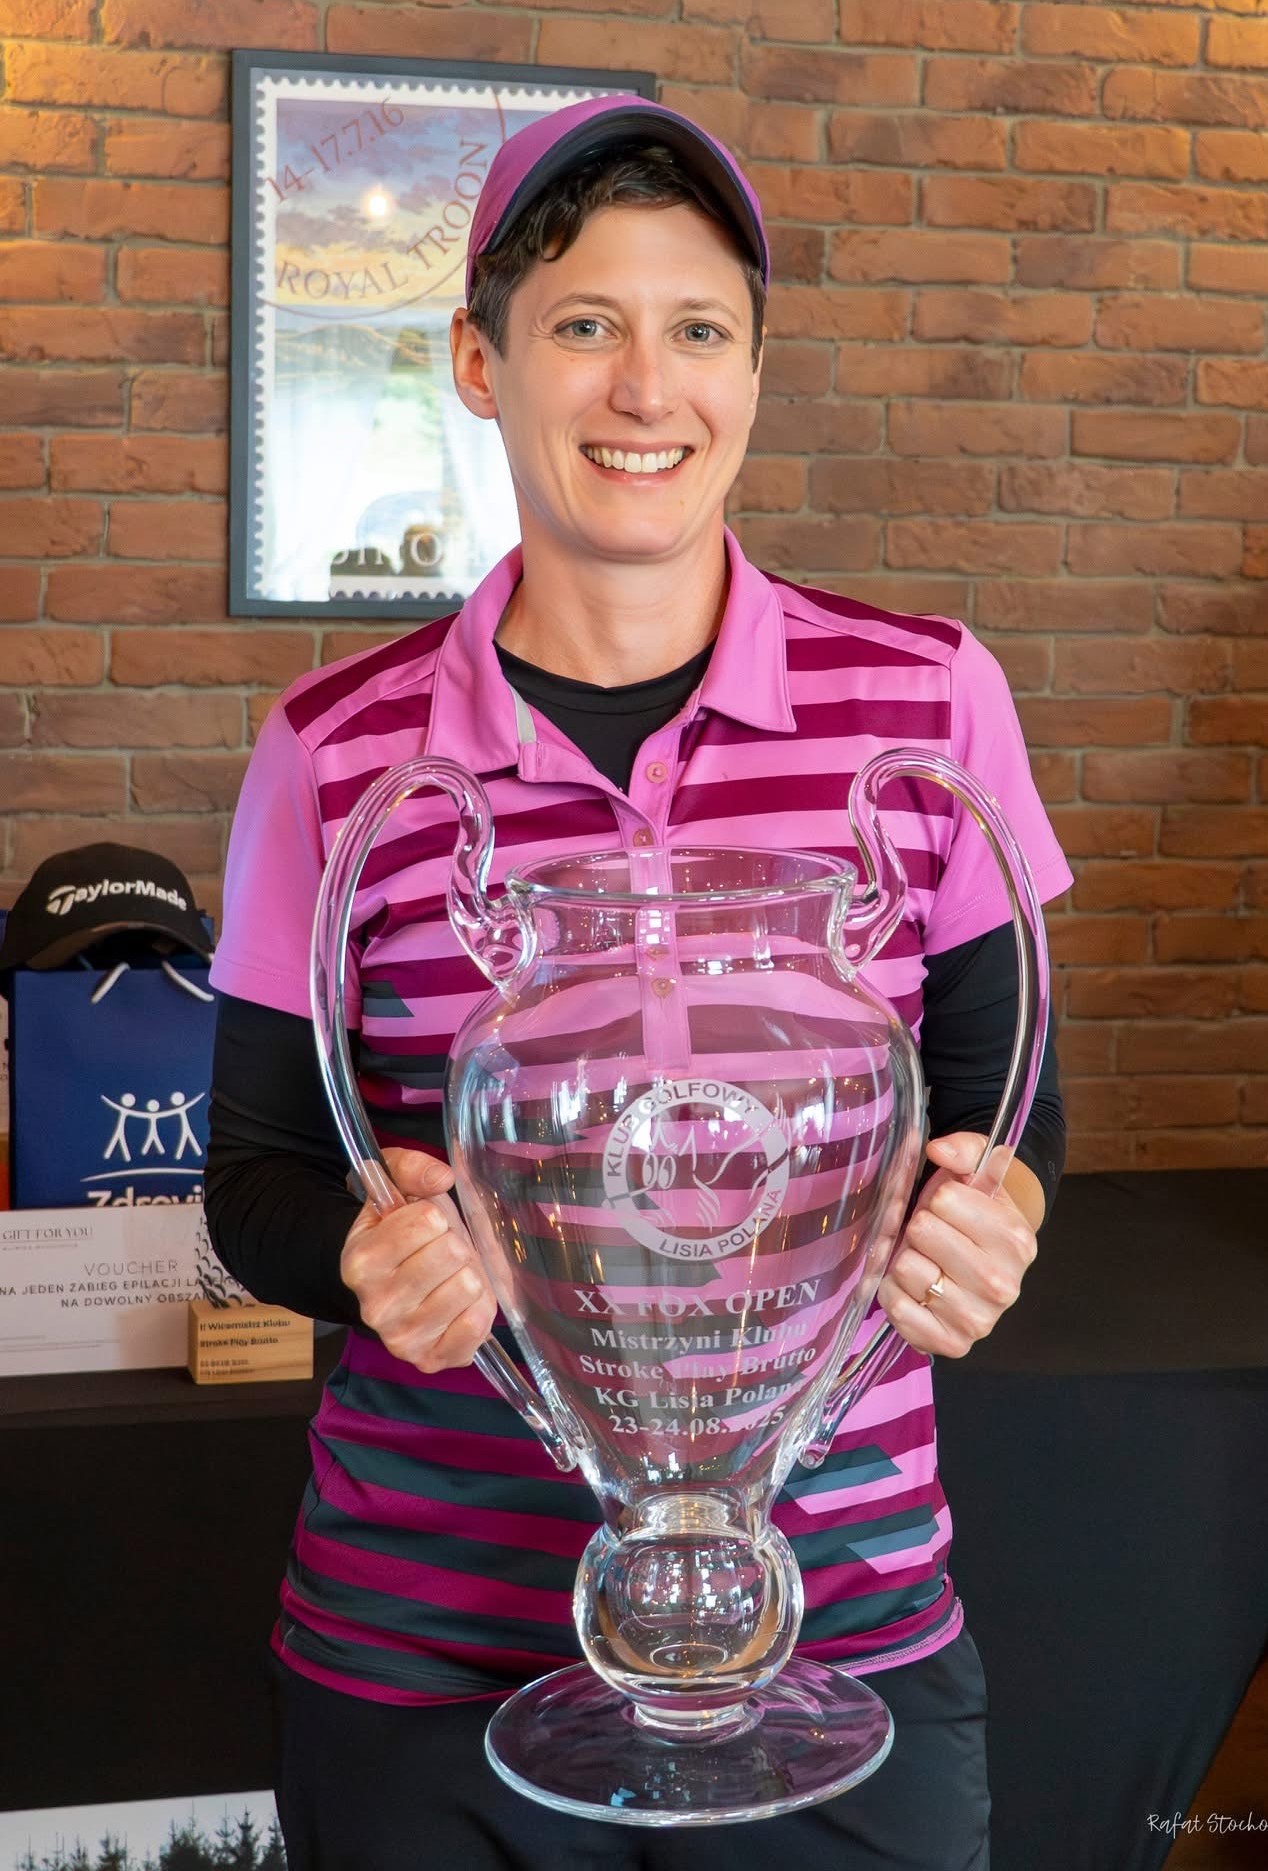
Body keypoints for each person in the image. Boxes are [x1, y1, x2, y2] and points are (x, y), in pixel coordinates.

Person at [206, 96, 1072, 1871]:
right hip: (427, 1648)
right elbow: (254, 1177)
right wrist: (364, 1262)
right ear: (479, 361)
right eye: (585, 325)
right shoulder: (335, 751)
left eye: (698, 332)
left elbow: (1011, 1107)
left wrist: (996, 1216)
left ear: (754, 372)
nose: (644, 389)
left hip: (842, 1633)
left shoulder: (927, 701)